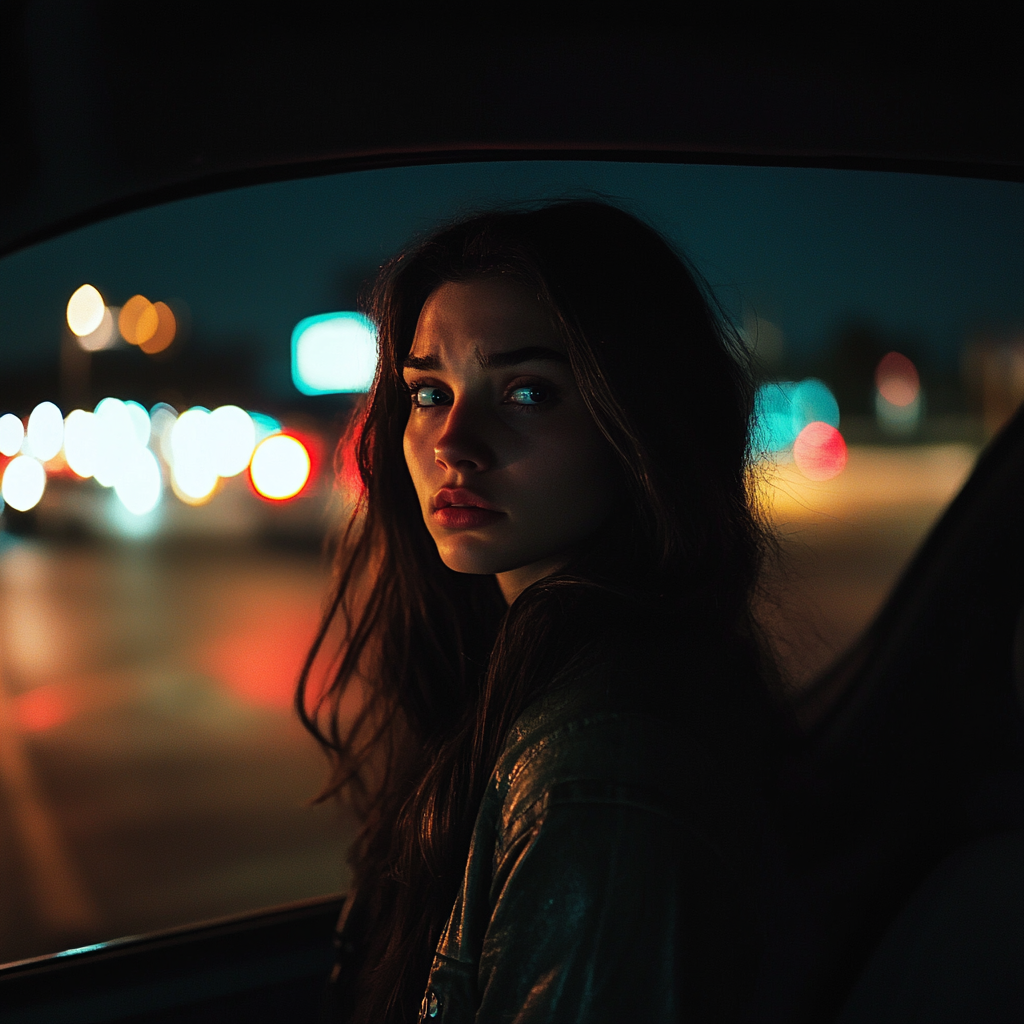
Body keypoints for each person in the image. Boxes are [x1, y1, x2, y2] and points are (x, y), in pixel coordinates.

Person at [298, 200, 787, 1023]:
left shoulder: (599, 770)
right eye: (428, 393)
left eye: (527, 391)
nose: (455, 442)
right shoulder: (519, 672)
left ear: (637, 420)